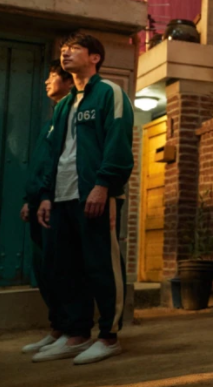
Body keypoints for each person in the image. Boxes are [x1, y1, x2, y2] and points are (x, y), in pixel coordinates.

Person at [34, 33, 134, 365]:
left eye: (74, 48)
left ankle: (108, 336)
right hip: (62, 197)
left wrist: (104, 185)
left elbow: (118, 143)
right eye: (63, 49)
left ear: (95, 57)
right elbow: (54, 154)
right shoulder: (64, 105)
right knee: (67, 268)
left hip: (94, 194)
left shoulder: (109, 93)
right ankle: (76, 335)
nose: (65, 53)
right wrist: (46, 195)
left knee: (102, 265)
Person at [20, 61, 74, 355]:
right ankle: (57, 328)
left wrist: (45, 196)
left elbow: (57, 163)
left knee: (58, 268)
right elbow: (41, 162)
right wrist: (29, 199)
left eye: (52, 76)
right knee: (42, 269)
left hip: (54, 202)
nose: (46, 81)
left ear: (68, 82)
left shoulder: (70, 115)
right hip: (38, 201)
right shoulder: (52, 119)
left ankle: (69, 329)